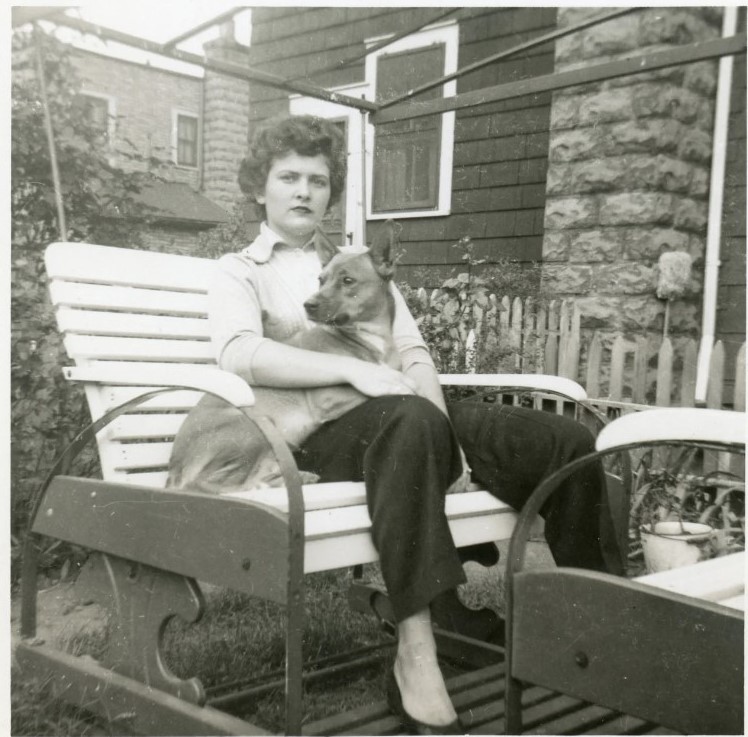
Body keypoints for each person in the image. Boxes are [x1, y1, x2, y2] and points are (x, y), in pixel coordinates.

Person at [208, 114, 622, 733]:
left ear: (330, 191)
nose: (302, 191)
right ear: (258, 188)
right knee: (407, 421)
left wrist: (445, 433)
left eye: (316, 181)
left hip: (402, 409)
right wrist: (360, 375)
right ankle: (416, 650)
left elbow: (415, 354)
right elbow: (239, 352)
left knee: (564, 438)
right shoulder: (239, 270)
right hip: (320, 428)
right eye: (287, 177)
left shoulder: (353, 259)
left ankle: (601, 630)